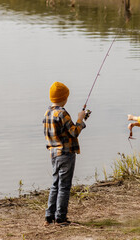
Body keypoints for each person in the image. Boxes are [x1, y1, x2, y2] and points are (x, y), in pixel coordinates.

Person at [43, 82, 86, 226]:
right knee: (64, 186)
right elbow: (74, 132)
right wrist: (81, 118)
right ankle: (60, 217)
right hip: (66, 154)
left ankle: (49, 216)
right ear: (65, 98)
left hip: (53, 154)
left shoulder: (47, 113)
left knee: (55, 184)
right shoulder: (62, 113)